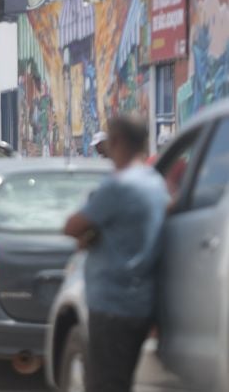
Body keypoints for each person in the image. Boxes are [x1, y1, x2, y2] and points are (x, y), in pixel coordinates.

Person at [63, 116, 170, 392]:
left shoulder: (118, 186)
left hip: (112, 306)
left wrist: (88, 236)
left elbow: (72, 227)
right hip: (140, 304)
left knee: (105, 384)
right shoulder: (155, 182)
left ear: (117, 141)